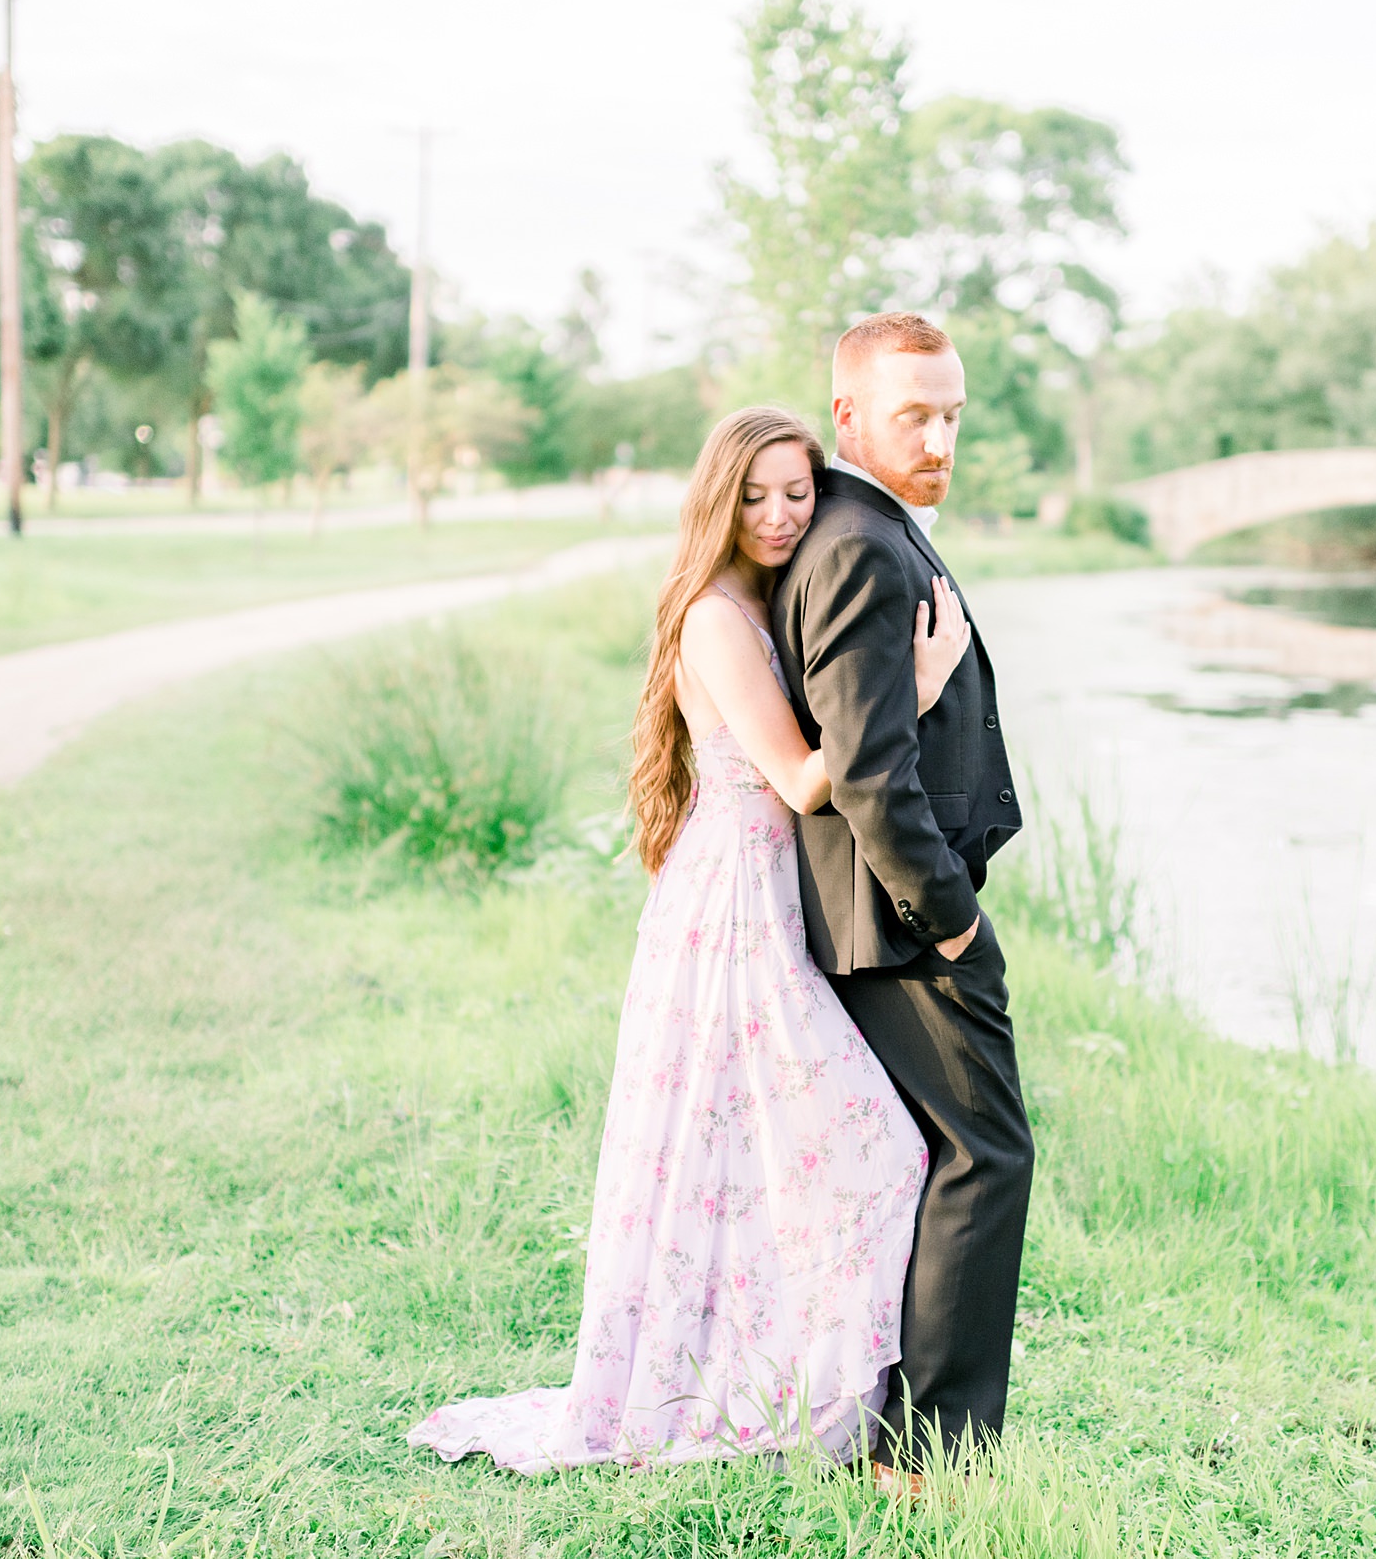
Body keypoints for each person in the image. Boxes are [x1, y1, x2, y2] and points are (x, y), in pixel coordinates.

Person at [407, 404, 973, 1473]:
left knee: (755, 1156)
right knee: (867, 1145)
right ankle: (778, 1384)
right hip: (732, 914)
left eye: (797, 493)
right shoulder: (718, 615)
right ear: (719, 500)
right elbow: (807, 777)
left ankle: (768, 1361)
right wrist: (923, 683)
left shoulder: (769, 595)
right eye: (754, 496)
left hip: (757, 901)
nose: (777, 514)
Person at [770, 312, 1029, 1493]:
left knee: (934, 1158)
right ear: (850, 416)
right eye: (915, 413)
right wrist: (954, 919)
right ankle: (927, 1459)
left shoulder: (861, 525)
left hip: (893, 913)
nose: (939, 437)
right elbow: (867, 772)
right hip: (902, 921)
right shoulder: (864, 543)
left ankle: (894, 1425)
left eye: (953, 416)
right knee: (984, 1156)